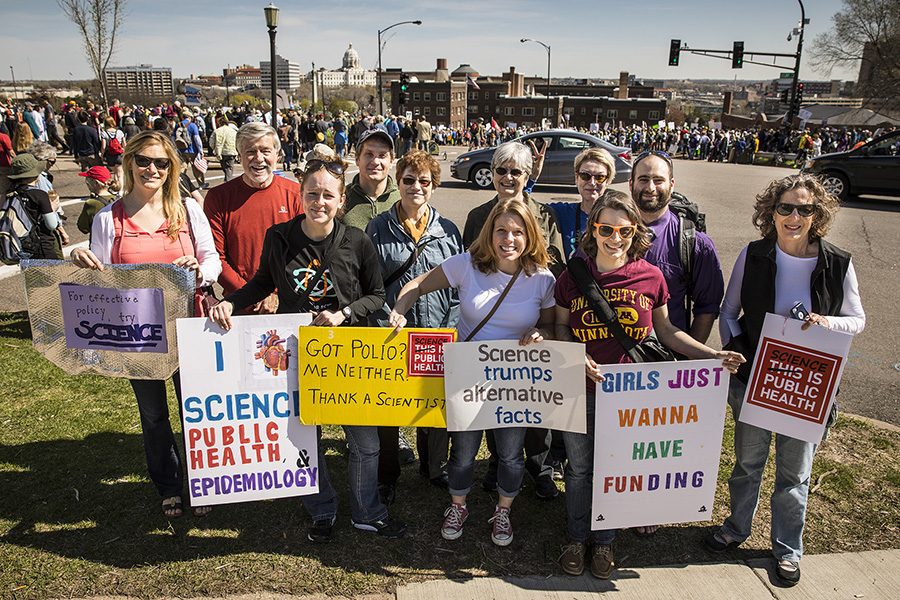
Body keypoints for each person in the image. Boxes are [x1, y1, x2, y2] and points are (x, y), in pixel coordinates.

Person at [208, 152, 407, 543]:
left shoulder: (357, 240)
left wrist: (344, 312)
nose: (320, 202)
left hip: (349, 357)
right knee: (303, 441)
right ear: (300, 195)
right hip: (295, 353)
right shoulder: (280, 237)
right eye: (312, 193)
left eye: (328, 195)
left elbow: (376, 295)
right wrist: (231, 300)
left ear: (341, 201)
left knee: (366, 443)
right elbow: (263, 282)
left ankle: (367, 511)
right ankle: (322, 508)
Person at [554, 190, 745, 579]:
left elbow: (668, 331)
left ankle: (604, 542)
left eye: (624, 230)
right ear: (593, 229)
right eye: (605, 228)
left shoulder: (650, 276)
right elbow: (559, 326)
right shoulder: (572, 275)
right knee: (578, 470)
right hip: (580, 390)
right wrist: (575, 357)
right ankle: (576, 538)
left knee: (614, 468)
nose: (615, 237)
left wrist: (712, 356)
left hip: (631, 396)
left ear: (634, 232)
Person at [703, 174, 865, 587]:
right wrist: (739, 352)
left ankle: (787, 549)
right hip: (758, 379)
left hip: (807, 386)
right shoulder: (754, 255)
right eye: (785, 208)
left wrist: (825, 321)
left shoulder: (838, 262)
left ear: (817, 215)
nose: (794, 217)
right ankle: (736, 528)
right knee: (747, 463)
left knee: (795, 473)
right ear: (770, 213)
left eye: (804, 209)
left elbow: (857, 320)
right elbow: (728, 312)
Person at [70, 130, 222, 518]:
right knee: (154, 415)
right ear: (129, 164)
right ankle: (169, 485)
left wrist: (199, 271)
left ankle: (201, 483)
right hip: (140, 336)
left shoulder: (188, 210)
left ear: (172, 167)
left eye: (161, 162)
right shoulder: (108, 218)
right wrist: (82, 261)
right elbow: (100, 281)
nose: (151, 169)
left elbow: (212, 260)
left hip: (188, 327)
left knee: (197, 409)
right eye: (143, 160)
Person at [389, 198, 557, 547]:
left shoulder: (542, 278)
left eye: (517, 232)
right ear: (489, 233)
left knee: (511, 453)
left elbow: (554, 325)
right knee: (463, 451)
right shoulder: (467, 265)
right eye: (501, 231)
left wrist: (542, 333)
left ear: (529, 235)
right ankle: (458, 506)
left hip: (516, 382)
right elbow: (417, 285)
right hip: (470, 376)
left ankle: (503, 511)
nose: (508, 239)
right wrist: (400, 308)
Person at [462, 141, 564, 499]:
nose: (508, 177)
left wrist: (545, 325)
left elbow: (558, 270)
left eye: (516, 171)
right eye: (501, 170)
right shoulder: (478, 217)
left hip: (533, 325)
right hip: (491, 332)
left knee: (534, 406)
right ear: (492, 174)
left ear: (528, 175)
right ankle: (497, 463)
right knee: (496, 400)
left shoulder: (545, 216)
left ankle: (540, 468)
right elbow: (470, 267)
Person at [366, 150, 463, 502]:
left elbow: (457, 288)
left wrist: (449, 330)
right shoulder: (377, 228)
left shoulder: (448, 231)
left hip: (435, 330)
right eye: (408, 180)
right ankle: (387, 474)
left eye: (424, 181)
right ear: (398, 182)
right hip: (391, 332)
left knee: (433, 403)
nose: (416, 187)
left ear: (433, 186)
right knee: (390, 406)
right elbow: (370, 285)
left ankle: (434, 466)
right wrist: (382, 325)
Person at [203, 122, 303, 313]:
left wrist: (275, 294)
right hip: (238, 306)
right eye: (250, 151)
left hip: (286, 304)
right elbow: (216, 257)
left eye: (265, 151)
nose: (258, 159)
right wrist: (251, 295)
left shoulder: (296, 194)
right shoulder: (218, 198)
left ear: (277, 155)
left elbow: (303, 254)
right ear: (239, 156)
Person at [629, 150, 724, 343]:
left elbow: (707, 307)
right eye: (643, 179)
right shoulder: (607, 234)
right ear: (631, 184)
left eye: (658, 180)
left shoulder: (696, 243)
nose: (650, 187)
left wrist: (686, 362)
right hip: (612, 364)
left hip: (668, 359)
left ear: (671, 185)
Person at [548, 147, 616, 261]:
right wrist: (531, 180)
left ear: (607, 181)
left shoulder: (616, 218)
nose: (592, 183)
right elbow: (524, 208)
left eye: (600, 177)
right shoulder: (562, 212)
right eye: (585, 176)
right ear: (576, 178)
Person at [6, 153, 63, 259]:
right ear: (36, 174)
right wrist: (52, 208)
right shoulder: (40, 195)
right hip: (42, 245)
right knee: (50, 275)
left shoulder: (12, 193)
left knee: (30, 275)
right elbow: (51, 224)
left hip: (24, 246)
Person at [342, 129, 399, 230]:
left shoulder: (402, 200)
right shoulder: (341, 199)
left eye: (382, 155)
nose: (375, 161)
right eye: (369, 154)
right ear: (357, 159)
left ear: (391, 162)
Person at [76, 165, 119, 236]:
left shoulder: (92, 203)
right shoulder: (118, 199)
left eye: (88, 181)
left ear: (96, 183)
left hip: (99, 242)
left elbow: (83, 227)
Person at [209, 116, 238, 182]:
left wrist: (214, 149)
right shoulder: (233, 131)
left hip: (221, 152)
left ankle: (228, 181)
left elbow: (211, 142)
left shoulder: (217, 131)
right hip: (231, 152)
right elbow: (237, 141)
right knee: (229, 168)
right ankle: (228, 180)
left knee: (225, 167)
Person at [99, 116, 125, 186]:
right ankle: (121, 190)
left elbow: (103, 147)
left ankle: (116, 186)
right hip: (119, 154)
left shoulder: (104, 133)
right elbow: (124, 144)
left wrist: (102, 155)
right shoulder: (119, 132)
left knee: (115, 172)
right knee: (120, 174)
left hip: (110, 154)